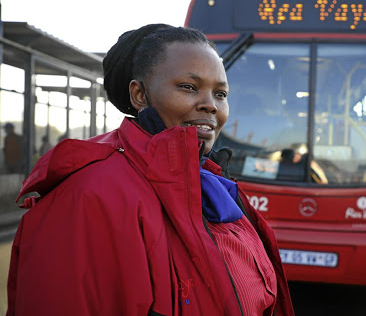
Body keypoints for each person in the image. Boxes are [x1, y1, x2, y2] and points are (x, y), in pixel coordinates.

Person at [7, 24, 294, 316]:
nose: (210, 105)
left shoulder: (214, 186)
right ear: (140, 95)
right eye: (188, 87)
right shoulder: (88, 195)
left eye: (220, 94)